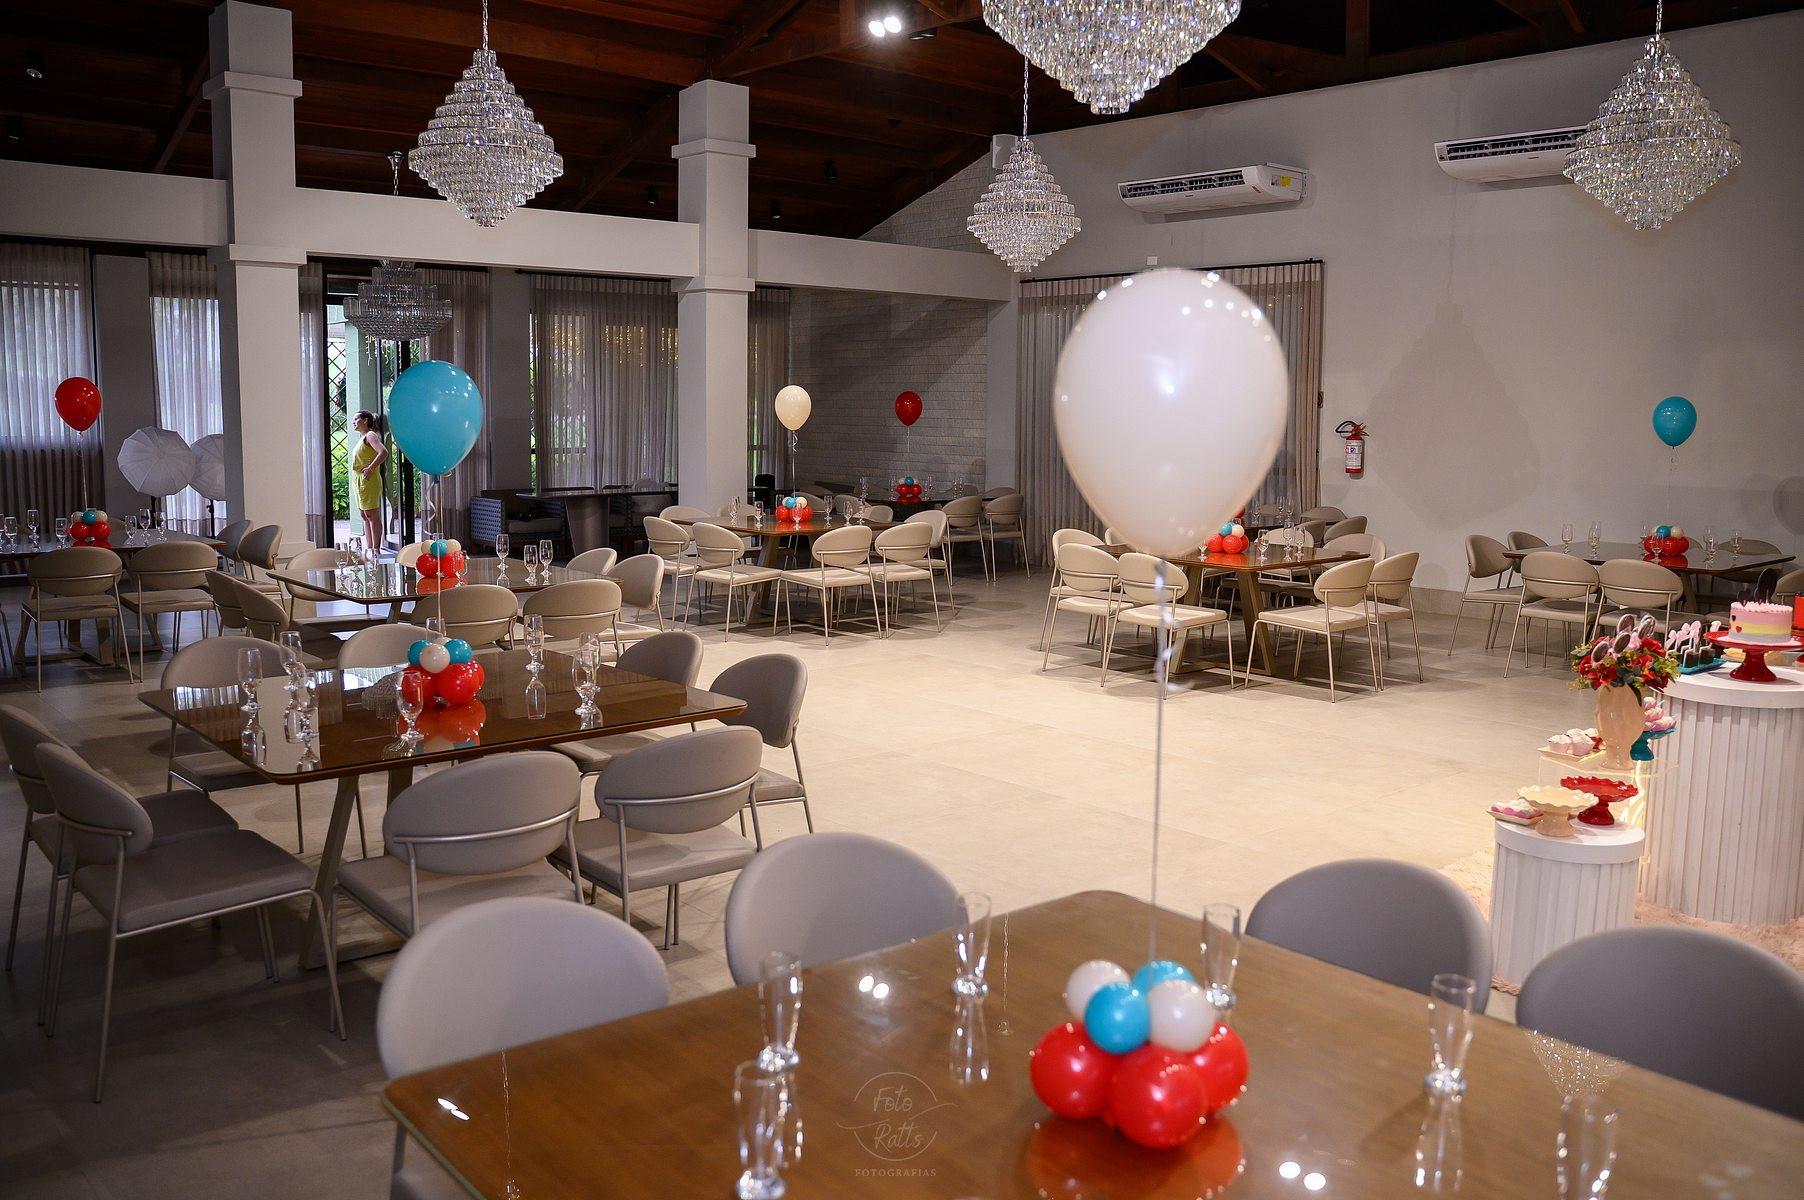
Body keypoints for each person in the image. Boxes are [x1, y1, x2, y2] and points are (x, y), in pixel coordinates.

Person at [350, 410, 388, 551]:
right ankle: (370, 549)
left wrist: (371, 467)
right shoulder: (362, 438)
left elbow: (383, 452)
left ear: (365, 420)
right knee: (365, 515)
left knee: (371, 515)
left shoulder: (370, 435)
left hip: (368, 480)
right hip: (359, 481)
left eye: (356, 419)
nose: (353, 422)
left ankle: (376, 550)